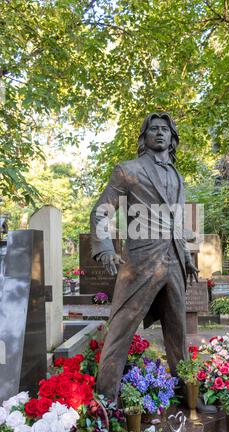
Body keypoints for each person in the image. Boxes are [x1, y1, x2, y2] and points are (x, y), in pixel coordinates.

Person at [90, 112, 199, 403]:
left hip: (174, 262)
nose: (160, 133)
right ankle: (106, 399)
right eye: (154, 129)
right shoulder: (128, 170)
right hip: (139, 263)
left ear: (172, 138)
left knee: (178, 332)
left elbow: (176, 221)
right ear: (145, 137)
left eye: (165, 129)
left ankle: (186, 393)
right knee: (120, 329)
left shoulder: (177, 175)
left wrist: (186, 256)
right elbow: (102, 210)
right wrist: (106, 249)